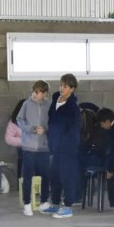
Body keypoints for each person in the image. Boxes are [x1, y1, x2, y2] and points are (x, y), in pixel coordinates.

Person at [41, 74, 81, 218]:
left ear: (72, 89)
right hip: (54, 146)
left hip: (67, 148)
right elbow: (52, 121)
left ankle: (68, 206)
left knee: (66, 176)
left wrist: (66, 144)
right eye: (61, 85)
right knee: (54, 175)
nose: (62, 88)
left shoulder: (73, 108)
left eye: (65, 86)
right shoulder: (56, 99)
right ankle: (55, 203)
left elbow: (73, 130)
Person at [16, 81, 52, 216]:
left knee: (45, 176)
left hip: (44, 148)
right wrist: (30, 129)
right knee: (27, 176)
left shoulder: (49, 106)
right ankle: (27, 203)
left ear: (45, 93)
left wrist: (46, 130)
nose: (34, 94)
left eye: (38, 92)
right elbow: (19, 120)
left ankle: (43, 202)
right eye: (34, 91)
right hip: (28, 147)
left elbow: (52, 124)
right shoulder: (26, 104)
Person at [5, 99, 25, 178]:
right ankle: (22, 186)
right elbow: (8, 138)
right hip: (23, 149)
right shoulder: (14, 122)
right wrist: (23, 141)